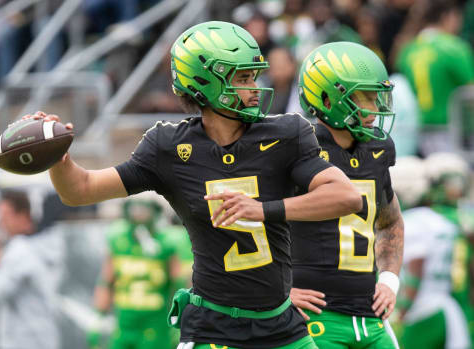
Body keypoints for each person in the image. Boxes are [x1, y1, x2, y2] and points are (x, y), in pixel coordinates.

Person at [23, 20, 362, 349]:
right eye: (243, 78)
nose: (256, 87)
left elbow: (346, 196)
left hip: (281, 326)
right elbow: (78, 190)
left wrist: (263, 210)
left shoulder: (286, 134)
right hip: (214, 327)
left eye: (254, 76)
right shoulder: (167, 147)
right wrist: (56, 156)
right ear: (205, 83)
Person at [291, 41, 404, 348]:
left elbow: (390, 222)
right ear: (328, 97)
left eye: (376, 95)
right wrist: (277, 291)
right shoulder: (295, 147)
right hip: (315, 318)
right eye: (364, 96)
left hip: (370, 317)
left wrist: (389, 280)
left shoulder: (377, 149)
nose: (376, 107)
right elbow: (249, 221)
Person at [395, 153, 474, 348]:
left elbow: (416, 266)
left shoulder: (419, 219)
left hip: (428, 306)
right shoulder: (450, 219)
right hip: (451, 302)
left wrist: (403, 309)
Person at [0, 190, 64, 349]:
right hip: (43, 338)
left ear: (22, 216)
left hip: (22, 342)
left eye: (4, 215)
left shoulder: (20, 249)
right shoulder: (44, 244)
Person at [88, 194, 181, 349]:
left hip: (155, 327)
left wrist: (180, 319)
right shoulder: (118, 240)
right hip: (124, 326)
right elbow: (106, 281)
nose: (138, 213)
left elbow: (178, 285)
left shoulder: (167, 243)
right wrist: (98, 317)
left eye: (144, 208)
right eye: (134, 208)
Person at [396, 0, 474, 156]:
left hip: (416, 131)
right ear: (447, 17)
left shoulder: (408, 49)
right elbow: (470, 91)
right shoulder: (454, 47)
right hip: (453, 132)